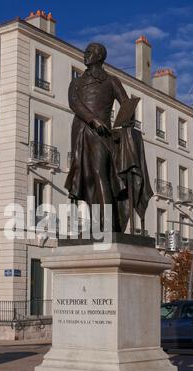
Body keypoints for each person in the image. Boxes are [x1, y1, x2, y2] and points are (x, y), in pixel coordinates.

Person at [65, 42, 153, 233]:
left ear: (99, 56)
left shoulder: (111, 81)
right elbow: (74, 103)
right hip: (81, 130)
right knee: (86, 178)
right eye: (85, 51)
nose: (85, 54)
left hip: (102, 134)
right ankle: (97, 223)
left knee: (99, 173)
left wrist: (126, 122)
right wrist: (93, 119)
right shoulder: (77, 83)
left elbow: (126, 105)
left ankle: (108, 224)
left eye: (89, 52)